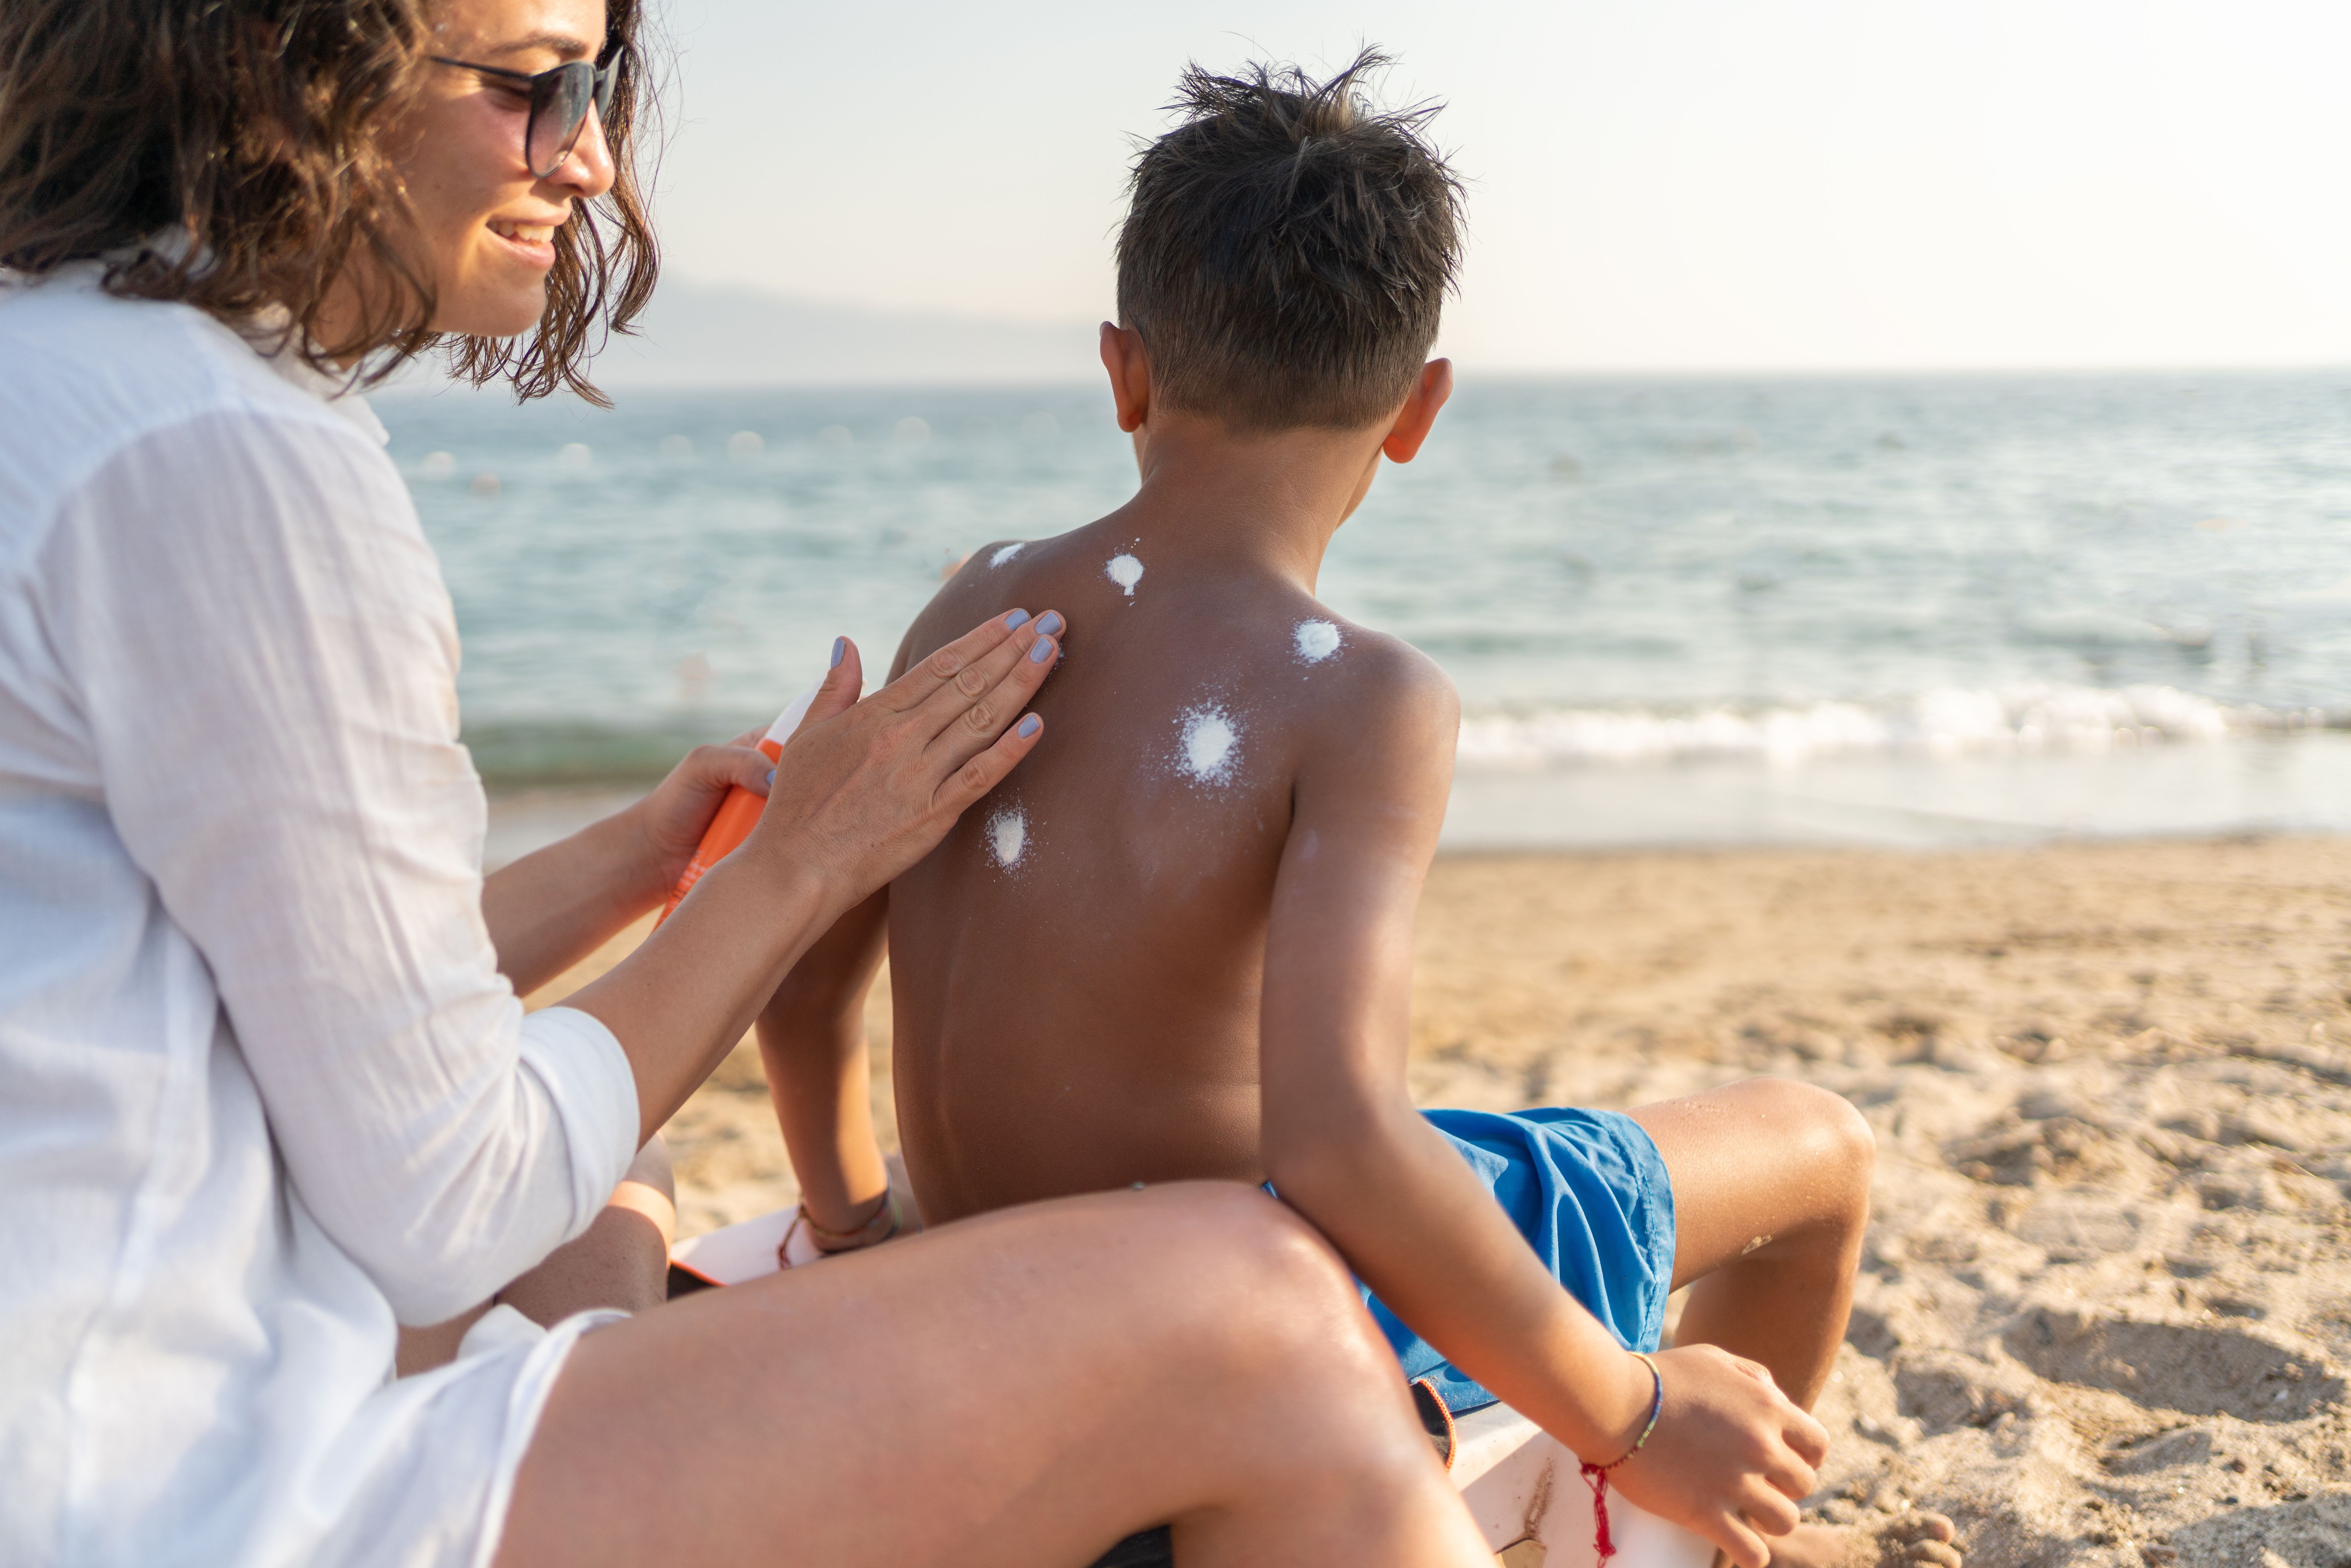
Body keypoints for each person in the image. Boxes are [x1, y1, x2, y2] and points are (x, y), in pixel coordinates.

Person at [0, 5, 1501, 1567]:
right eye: (535, 85)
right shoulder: (218, 453)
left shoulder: (60, 369)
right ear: (278, 65)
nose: (588, 153)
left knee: (615, 1188)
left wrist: (643, 866)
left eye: (598, 87)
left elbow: (287, 985)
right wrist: (795, 868)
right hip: (185, 1487)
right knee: (1253, 1302)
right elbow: (448, 1197)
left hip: (108, 1384)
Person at [757, 57, 1963, 1568]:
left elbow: (808, 984)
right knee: (1819, 1151)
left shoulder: (972, 607)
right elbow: (1338, 1144)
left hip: (978, 1258)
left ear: (1125, 369)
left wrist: (865, 1235)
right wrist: (1638, 1409)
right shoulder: (1364, 698)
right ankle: (1685, 1512)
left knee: (1490, 1153)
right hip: (1215, 1311)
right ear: (1419, 412)